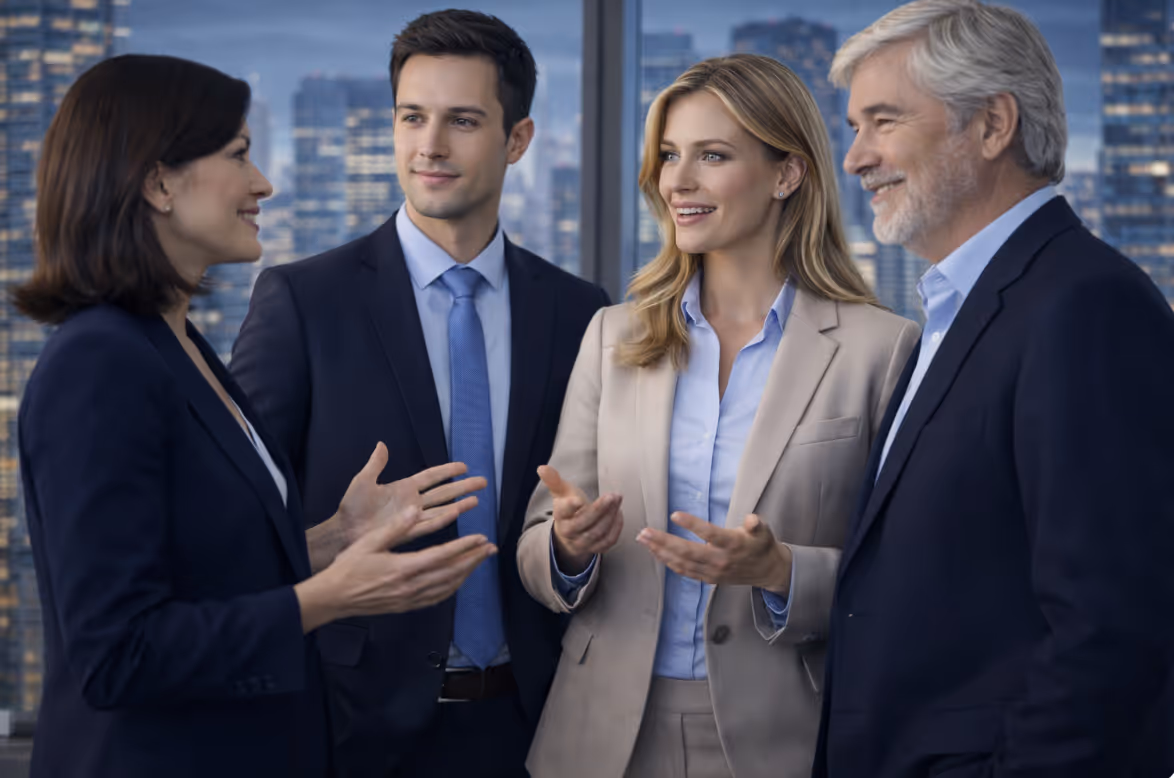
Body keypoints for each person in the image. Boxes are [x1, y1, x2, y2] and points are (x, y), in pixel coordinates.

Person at [13, 55, 494, 778]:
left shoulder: (178, 348)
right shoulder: (99, 365)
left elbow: (202, 573)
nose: (262, 182)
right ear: (158, 182)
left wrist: (332, 540)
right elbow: (116, 654)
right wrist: (324, 598)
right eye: (238, 155)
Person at [515, 54, 920, 778]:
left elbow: (906, 576)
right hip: (601, 735)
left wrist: (781, 569)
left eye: (712, 156)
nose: (678, 181)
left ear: (786, 175)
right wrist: (569, 550)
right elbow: (536, 546)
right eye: (670, 156)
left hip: (783, 738)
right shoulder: (614, 336)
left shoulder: (880, 351)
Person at [230, 10, 610, 778]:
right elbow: (235, 521)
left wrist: (573, 554)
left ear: (519, 140)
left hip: (536, 723)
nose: (428, 146)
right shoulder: (305, 301)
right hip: (351, 727)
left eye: (462, 121)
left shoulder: (579, 312)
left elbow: (573, 514)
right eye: (412, 117)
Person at [813, 2, 1174, 776]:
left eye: (883, 121)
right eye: (853, 126)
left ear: (992, 124)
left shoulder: (1085, 306)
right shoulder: (957, 309)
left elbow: (1113, 626)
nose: (855, 158)